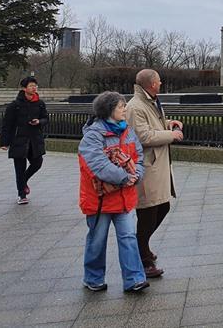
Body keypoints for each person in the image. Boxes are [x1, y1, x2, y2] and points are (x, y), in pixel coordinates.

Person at [78, 91, 149, 293]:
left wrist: (137, 174)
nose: (125, 110)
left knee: (128, 237)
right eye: (121, 107)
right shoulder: (93, 135)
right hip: (99, 199)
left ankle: (134, 279)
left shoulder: (128, 131)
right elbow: (97, 165)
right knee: (97, 239)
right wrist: (125, 177)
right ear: (109, 110)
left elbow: (139, 158)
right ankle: (93, 277)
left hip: (124, 196)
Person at [126, 69, 184, 278]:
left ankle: (142, 247)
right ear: (151, 84)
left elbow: (153, 126)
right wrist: (172, 134)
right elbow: (143, 135)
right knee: (148, 211)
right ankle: (143, 258)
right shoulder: (135, 106)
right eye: (159, 81)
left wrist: (169, 124)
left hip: (157, 165)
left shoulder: (150, 101)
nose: (161, 83)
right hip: (148, 166)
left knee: (162, 206)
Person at [1, 76, 48, 205]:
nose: (34, 88)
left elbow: (45, 118)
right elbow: (7, 125)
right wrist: (4, 142)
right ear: (24, 88)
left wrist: (39, 121)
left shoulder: (40, 103)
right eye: (31, 85)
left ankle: (24, 180)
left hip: (35, 140)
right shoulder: (14, 105)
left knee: (37, 162)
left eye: (35, 85)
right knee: (19, 168)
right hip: (18, 140)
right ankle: (22, 195)